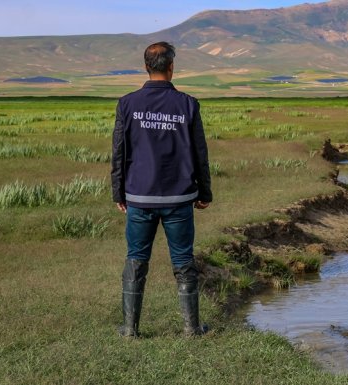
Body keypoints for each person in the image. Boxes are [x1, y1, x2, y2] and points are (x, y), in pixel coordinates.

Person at [111, 41, 212, 338]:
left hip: (139, 197)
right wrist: (205, 192)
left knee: (136, 259)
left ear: (146, 67)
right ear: (171, 67)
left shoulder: (127, 103)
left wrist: (118, 192)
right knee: (183, 260)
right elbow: (199, 152)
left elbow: (118, 151)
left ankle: (130, 329)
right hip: (179, 197)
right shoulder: (188, 104)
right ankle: (192, 329)